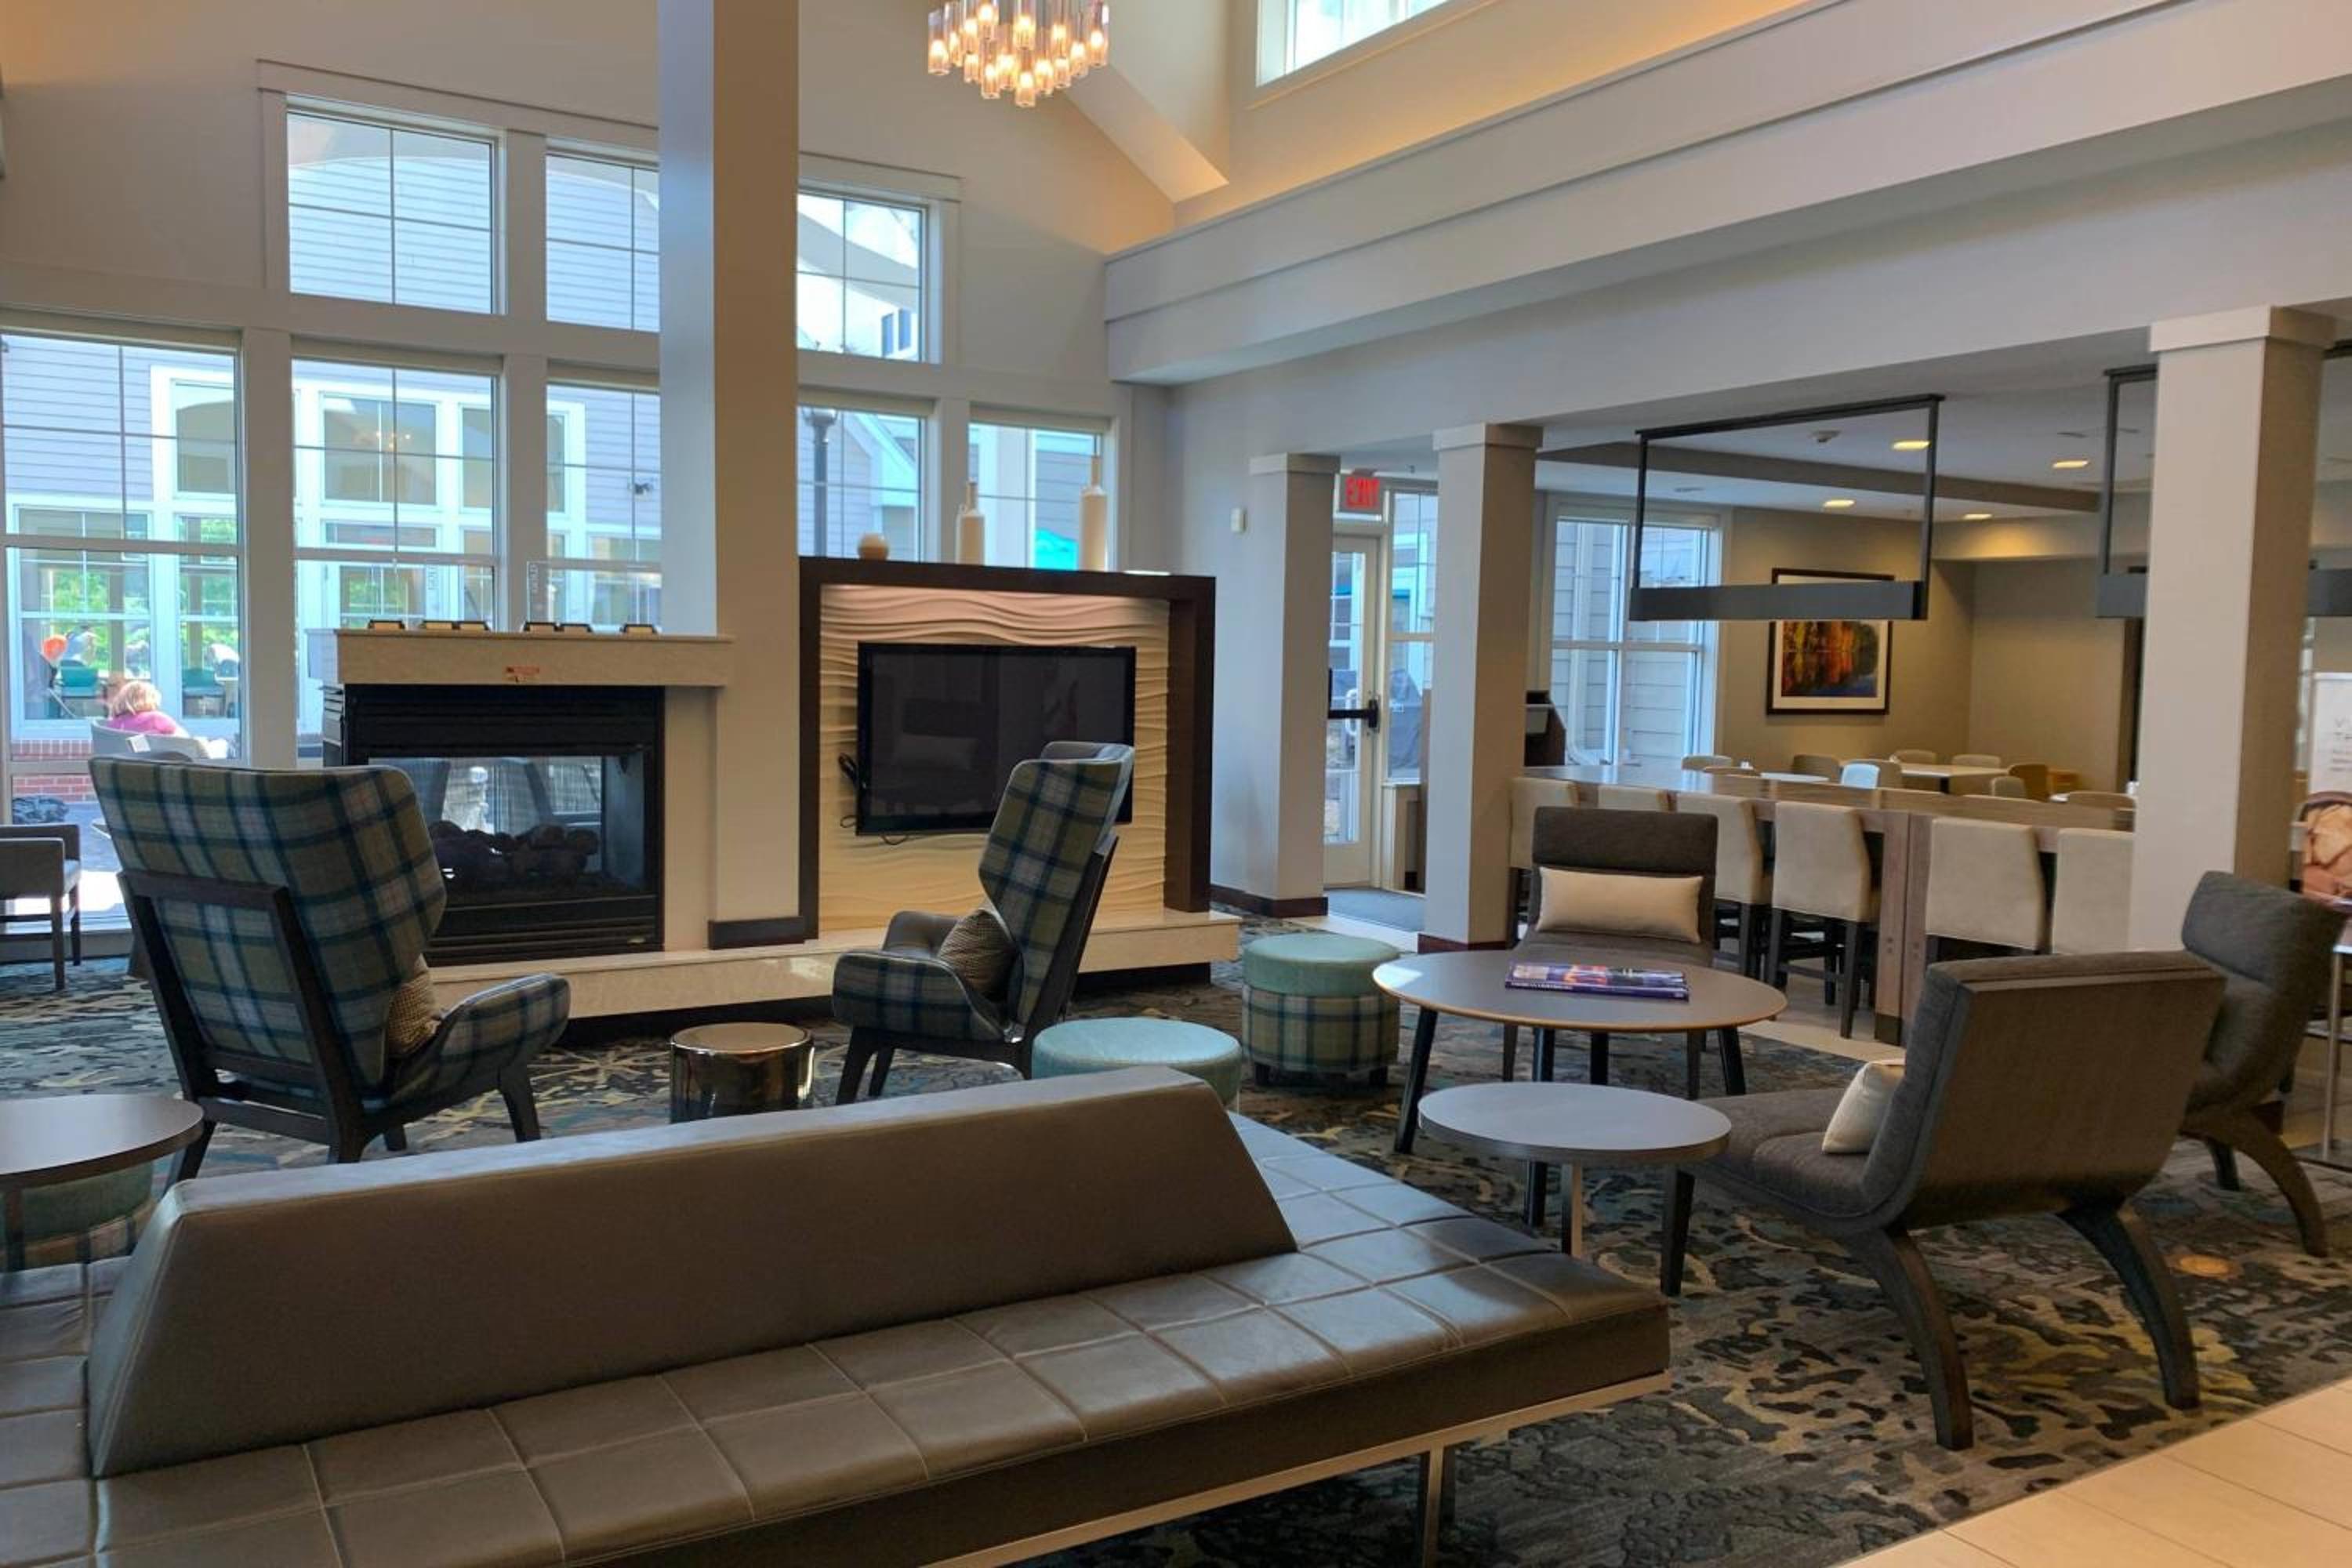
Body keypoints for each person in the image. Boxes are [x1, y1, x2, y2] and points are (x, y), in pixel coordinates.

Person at [103, 680, 188, 738]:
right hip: (152, 759)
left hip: (121, 759)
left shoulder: (112, 724)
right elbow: (185, 739)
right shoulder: (155, 718)